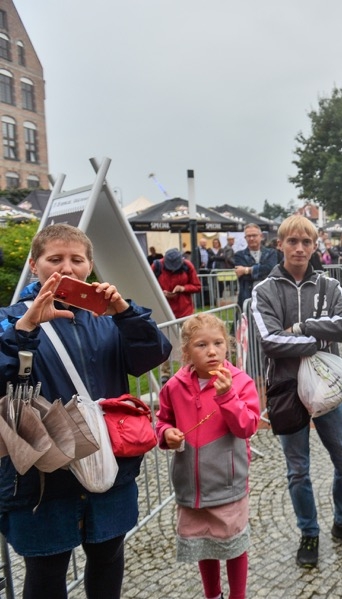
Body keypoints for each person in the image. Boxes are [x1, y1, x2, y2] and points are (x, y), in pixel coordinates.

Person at [0, 223, 171, 599]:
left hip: (107, 462)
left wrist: (125, 312)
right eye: (54, 258)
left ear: (90, 266)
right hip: (43, 472)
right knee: (46, 570)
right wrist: (26, 328)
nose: (67, 268)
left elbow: (154, 354)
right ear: (34, 264)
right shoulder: (10, 319)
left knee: (108, 556)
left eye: (77, 260)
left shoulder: (107, 320)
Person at [251, 215, 342, 569]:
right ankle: (309, 531)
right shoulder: (264, 290)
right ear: (280, 245)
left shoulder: (329, 285)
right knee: (297, 470)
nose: (300, 248)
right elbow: (270, 341)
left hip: (327, 386)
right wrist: (319, 338)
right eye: (292, 241)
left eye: (306, 242)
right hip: (286, 389)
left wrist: (303, 326)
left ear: (315, 245)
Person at [156, 313, 260, 599]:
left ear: (227, 347)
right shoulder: (174, 387)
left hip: (228, 483)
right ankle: (211, 594)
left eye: (218, 343)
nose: (212, 351)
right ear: (186, 351)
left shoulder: (240, 382)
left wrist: (227, 397)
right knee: (205, 544)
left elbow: (248, 427)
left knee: (234, 545)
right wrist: (166, 434)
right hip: (192, 487)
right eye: (201, 345)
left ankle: (237, 595)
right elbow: (162, 420)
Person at [233, 224, 278, 309]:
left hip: (268, 296)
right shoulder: (239, 255)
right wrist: (260, 270)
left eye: (254, 235)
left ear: (261, 236)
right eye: (248, 236)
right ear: (245, 238)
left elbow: (270, 269)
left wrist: (247, 270)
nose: (251, 238)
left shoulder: (271, 253)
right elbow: (243, 277)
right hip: (247, 296)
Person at [152, 248, 202, 319]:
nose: (172, 270)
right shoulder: (156, 266)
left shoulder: (187, 266)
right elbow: (148, 287)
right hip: (163, 310)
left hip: (184, 312)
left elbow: (197, 286)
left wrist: (183, 288)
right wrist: (161, 293)